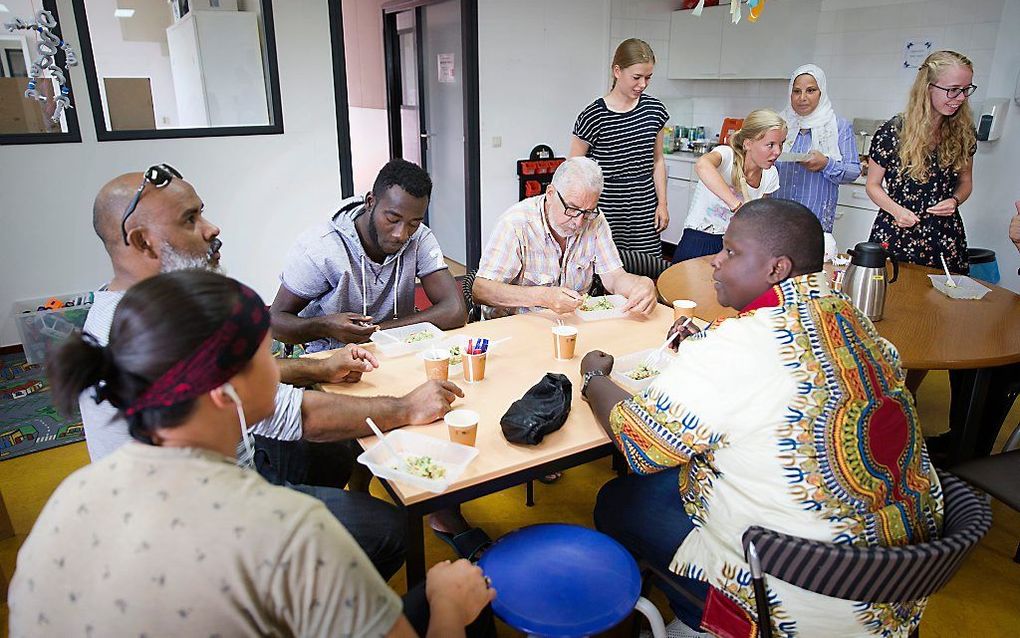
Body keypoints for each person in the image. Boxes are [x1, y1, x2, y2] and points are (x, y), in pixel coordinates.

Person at [9, 270, 495, 637]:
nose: (283, 366)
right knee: (465, 591)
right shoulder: (294, 529)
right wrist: (448, 605)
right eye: (267, 356)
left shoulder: (70, 494)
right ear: (226, 392)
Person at [579, 199, 942, 637]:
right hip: (894, 586)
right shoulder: (853, 320)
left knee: (621, 500)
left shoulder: (742, 346)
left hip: (802, 600)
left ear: (776, 268)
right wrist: (708, 336)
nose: (716, 260)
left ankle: (697, 620)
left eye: (731, 252)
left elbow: (636, 440)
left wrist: (594, 377)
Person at [82, 165, 465, 579]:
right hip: (199, 526)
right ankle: (288, 593)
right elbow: (296, 415)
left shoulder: (132, 308)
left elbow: (237, 377)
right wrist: (406, 407)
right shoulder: (156, 334)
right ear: (142, 241)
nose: (212, 229)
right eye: (190, 219)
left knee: (340, 450)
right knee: (391, 530)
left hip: (227, 466)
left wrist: (319, 366)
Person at [271, 159, 467, 353]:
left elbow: (455, 310)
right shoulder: (321, 246)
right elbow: (275, 321)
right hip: (330, 356)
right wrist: (325, 326)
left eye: (413, 223)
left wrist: (377, 332)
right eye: (392, 219)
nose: (402, 234)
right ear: (370, 202)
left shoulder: (419, 237)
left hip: (395, 350)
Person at [473, 157, 658, 319]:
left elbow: (614, 278)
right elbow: (481, 290)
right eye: (572, 209)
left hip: (571, 326)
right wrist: (542, 297)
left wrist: (640, 284)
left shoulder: (596, 220)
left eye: (586, 213)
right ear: (551, 194)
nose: (578, 223)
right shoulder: (516, 224)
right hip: (515, 328)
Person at [866, 50, 976, 274]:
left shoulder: (964, 132)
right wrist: (897, 211)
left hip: (944, 237)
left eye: (966, 90)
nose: (961, 98)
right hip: (898, 231)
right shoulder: (893, 132)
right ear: (928, 87)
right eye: (953, 90)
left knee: (942, 305)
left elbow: (966, 182)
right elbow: (873, 185)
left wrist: (954, 201)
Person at [570, 38, 670, 259]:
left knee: (647, 269)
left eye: (648, 78)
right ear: (617, 71)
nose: (642, 84)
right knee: (604, 269)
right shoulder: (593, 115)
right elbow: (574, 168)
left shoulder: (655, 110)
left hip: (644, 208)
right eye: (637, 77)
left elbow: (658, 161)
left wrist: (662, 204)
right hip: (605, 210)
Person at [672, 109, 786, 263]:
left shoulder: (770, 175)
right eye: (770, 145)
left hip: (734, 248)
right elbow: (702, 165)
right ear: (748, 143)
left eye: (781, 144)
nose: (777, 151)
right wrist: (737, 206)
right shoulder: (726, 155)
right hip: (699, 240)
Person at [774, 64, 861, 241]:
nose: (802, 98)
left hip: (814, 217)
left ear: (821, 92)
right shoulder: (777, 124)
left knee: (811, 266)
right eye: (796, 91)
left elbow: (853, 171)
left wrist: (826, 164)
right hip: (777, 215)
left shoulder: (838, 127)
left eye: (811, 90)